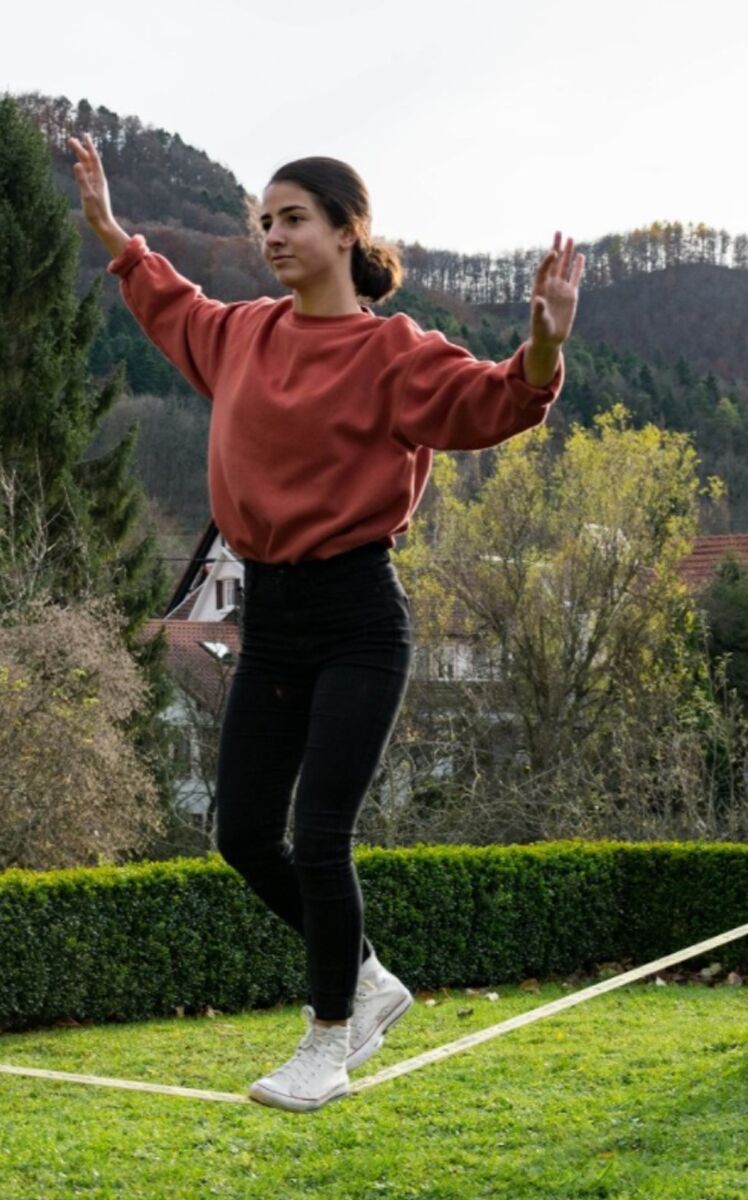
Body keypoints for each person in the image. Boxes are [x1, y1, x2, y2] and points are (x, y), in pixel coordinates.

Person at [68, 132, 585, 1112]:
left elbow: (494, 402)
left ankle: (328, 1039)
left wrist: (546, 345)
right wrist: (110, 233)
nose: (272, 235)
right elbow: (171, 305)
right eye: (263, 220)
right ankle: (371, 977)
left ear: (349, 232)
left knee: (319, 835)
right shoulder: (241, 336)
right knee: (242, 835)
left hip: (356, 616)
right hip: (270, 618)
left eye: (293, 218)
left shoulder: (392, 352)